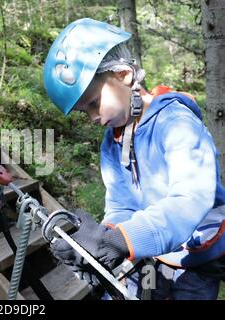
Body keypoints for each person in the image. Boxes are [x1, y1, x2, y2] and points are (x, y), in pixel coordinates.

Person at [43, 18, 225, 300]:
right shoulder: (112, 143)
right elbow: (121, 204)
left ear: (123, 74)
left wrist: (120, 241)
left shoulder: (176, 123)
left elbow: (191, 199)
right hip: (155, 252)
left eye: (93, 103)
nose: (93, 117)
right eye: (83, 112)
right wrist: (101, 243)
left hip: (197, 258)